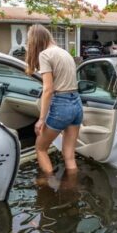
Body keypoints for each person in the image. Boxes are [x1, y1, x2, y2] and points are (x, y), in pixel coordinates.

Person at [25, 24, 83, 174]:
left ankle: (49, 187)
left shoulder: (45, 54)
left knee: (41, 148)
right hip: (77, 104)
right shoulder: (64, 53)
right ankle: (72, 188)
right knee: (69, 155)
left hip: (61, 105)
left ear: (35, 40)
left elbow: (48, 89)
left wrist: (41, 119)